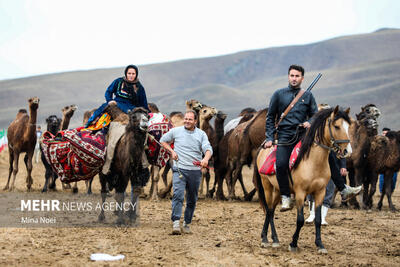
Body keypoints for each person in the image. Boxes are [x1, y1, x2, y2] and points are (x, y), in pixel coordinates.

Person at [264, 64, 361, 212]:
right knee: (282, 163)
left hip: (304, 136)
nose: (294, 79)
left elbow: (315, 116)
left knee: (329, 156)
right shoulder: (278, 94)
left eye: (297, 76)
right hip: (285, 136)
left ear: (302, 78)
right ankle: (285, 196)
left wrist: (308, 123)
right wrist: (269, 137)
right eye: (292, 76)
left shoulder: (308, 96)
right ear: (288, 77)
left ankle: (343, 188)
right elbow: (270, 117)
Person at [160, 110, 212, 235]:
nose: (187, 121)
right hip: (180, 168)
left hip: (195, 171)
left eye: (190, 119)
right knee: (178, 195)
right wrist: (172, 151)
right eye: (186, 119)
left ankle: (187, 223)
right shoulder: (176, 131)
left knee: (192, 199)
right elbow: (163, 140)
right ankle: (176, 222)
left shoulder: (201, 134)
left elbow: (208, 148)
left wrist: (205, 159)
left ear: (195, 121)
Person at [378, 127, 398, 193]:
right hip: (382, 165)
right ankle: (382, 192)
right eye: (383, 133)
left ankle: (390, 191)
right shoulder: (379, 142)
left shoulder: (395, 145)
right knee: (382, 179)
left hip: (392, 165)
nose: (384, 135)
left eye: (386, 133)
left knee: (393, 179)